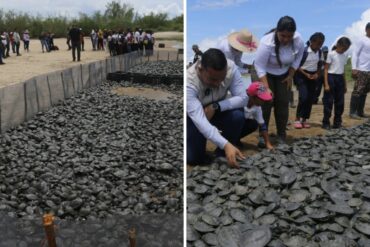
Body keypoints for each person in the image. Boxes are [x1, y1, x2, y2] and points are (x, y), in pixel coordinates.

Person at [187, 48, 247, 168]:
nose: (218, 83)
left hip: (218, 111)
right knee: (194, 159)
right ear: (200, 69)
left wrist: (216, 106)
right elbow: (200, 121)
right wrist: (226, 144)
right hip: (196, 117)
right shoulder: (189, 83)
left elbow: (243, 98)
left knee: (238, 116)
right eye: (213, 79)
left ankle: (220, 155)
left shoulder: (231, 68)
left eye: (222, 78)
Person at [254, 16, 304, 144]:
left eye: (289, 36)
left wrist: (291, 75)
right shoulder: (266, 42)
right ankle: (262, 135)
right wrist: (266, 87)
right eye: (283, 36)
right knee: (266, 104)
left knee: (282, 104)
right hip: (266, 74)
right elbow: (259, 66)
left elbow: (298, 58)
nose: (286, 39)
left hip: (284, 74)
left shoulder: (298, 40)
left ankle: (281, 134)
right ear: (277, 32)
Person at [294, 32, 325, 129]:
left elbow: (320, 66)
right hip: (301, 74)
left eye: (321, 43)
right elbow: (297, 65)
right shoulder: (303, 51)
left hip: (313, 75)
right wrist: (306, 74)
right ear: (311, 42)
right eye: (318, 43)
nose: (320, 45)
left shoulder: (320, 53)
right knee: (303, 97)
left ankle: (305, 119)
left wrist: (317, 74)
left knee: (310, 98)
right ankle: (297, 119)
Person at [322, 37, 351, 129]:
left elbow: (343, 71)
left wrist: (345, 84)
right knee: (329, 101)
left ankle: (337, 122)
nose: (344, 50)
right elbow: (326, 69)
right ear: (338, 45)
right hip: (331, 77)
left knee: (340, 102)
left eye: (346, 49)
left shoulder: (344, 56)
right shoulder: (331, 54)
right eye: (343, 48)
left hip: (340, 79)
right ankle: (326, 122)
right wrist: (326, 84)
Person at [240, 82, 274, 149]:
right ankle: (230, 141)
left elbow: (262, 125)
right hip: (226, 126)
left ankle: (235, 139)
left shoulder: (257, 107)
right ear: (252, 96)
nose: (263, 101)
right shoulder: (240, 101)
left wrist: (268, 143)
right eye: (261, 99)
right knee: (238, 117)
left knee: (253, 124)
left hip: (238, 125)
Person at [349, 22, 370, 119]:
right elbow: (355, 54)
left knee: (364, 92)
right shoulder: (362, 40)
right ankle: (352, 112)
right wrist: (354, 68)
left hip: (369, 71)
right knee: (357, 91)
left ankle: (360, 111)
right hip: (361, 69)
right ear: (366, 30)